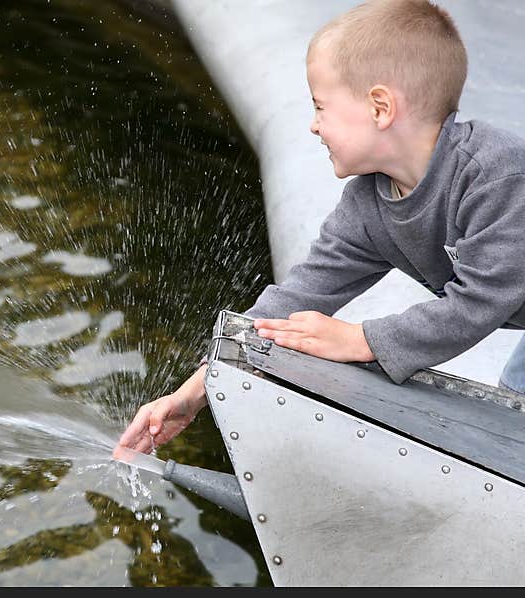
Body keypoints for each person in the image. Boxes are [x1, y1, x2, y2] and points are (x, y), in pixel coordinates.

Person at [116, 0, 525, 456]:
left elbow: (479, 301)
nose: (312, 126)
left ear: (380, 107)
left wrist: (360, 339)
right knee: (511, 429)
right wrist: (195, 390)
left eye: (321, 107)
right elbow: (295, 299)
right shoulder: (369, 205)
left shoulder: (494, 175)